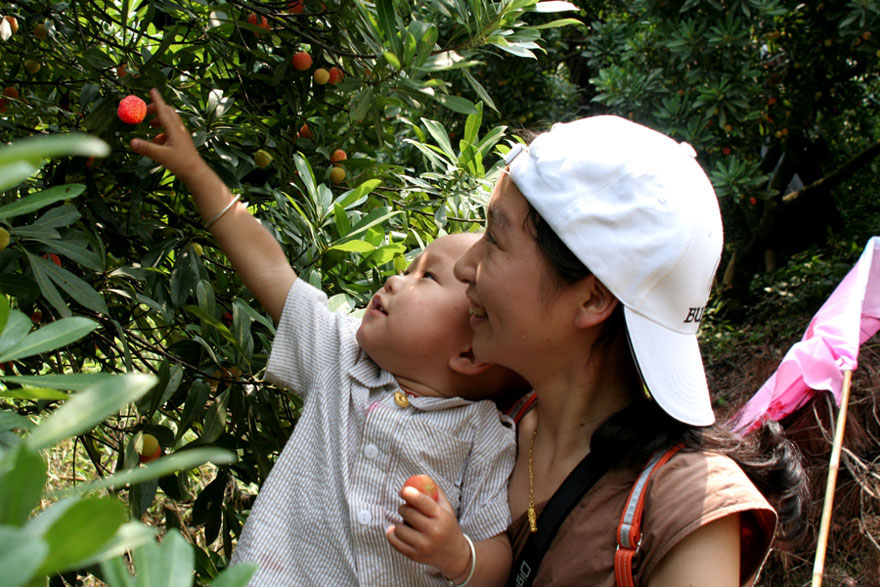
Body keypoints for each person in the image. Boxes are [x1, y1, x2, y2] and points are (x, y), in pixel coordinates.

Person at [131, 88, 527, 587]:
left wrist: (456, 553)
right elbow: (271, 270)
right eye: (407, 268)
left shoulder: (483, 436)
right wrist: (194, 169)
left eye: (426, 277)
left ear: (471, 351)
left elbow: (496, 557)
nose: (394, 280)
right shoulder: (340, 355)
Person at [452, 116, 809, 586]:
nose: (464, 265)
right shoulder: (482, 414)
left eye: (495, 239)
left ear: (593, 298)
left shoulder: (685, 510)